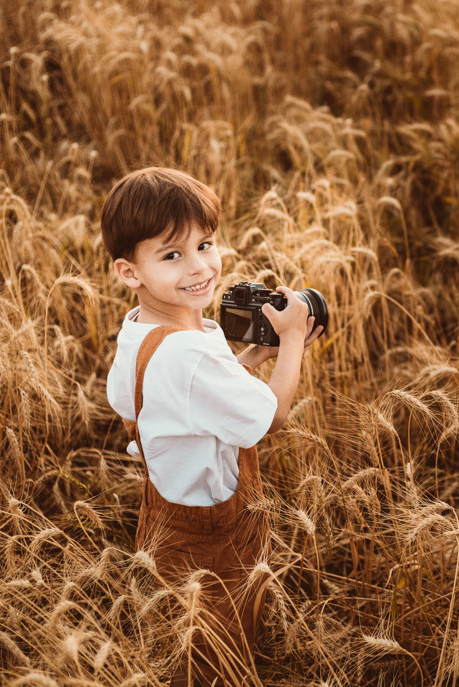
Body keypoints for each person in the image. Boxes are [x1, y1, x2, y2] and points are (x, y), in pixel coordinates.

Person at [102, 167, 322, 686]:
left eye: (205, 244)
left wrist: (249, 357)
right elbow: (272, 416)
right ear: (129, 271)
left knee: (181, 631)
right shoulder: (190, 352)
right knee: (214, 657)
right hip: (214, 535)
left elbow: (173, 397)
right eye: (172, 255)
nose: (200, 267)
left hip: (162, 516)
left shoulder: (140, 332)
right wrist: (291, 341)